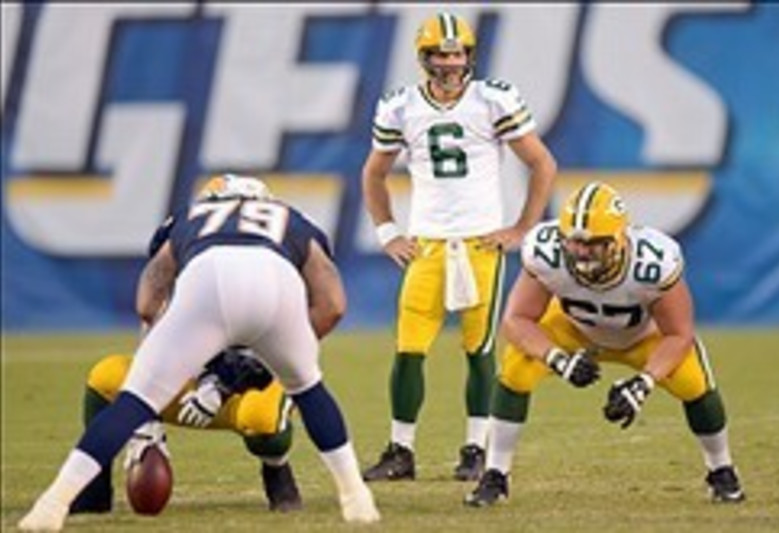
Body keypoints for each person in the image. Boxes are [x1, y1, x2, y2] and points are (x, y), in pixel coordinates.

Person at [19, 174, 380, 531]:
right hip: (277, 287)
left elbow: (148, 303)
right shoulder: (292, 220)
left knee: (133, 402)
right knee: (309, 388)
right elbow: (333, 305)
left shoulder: (189, 218)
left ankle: (52, 504)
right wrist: (269, 355)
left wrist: (194, 368)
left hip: (209, 285)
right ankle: (356, 497)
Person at [361, 11, 557, 482]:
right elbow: (374, 172)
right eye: (442, 54)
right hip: (427, 244)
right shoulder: (401, 106)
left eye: (458, 53)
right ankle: (400, 451)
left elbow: (542, 164)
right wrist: (388, 231)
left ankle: (476, 449)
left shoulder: (493, 99)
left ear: (470, 55)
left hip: (479, 245)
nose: (451, 62)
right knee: (409, 350)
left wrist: (521, 229)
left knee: (479, 350)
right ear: (424, 58)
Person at [465, 181, 745, 506]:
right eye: (574, 242)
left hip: (643, 336)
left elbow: (679, 334)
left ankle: (721, 469)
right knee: (516, 369)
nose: (582, 252)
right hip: (573, 329)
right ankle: (495, 474)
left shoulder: (653, 262)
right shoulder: (547, 252)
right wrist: (557, 358)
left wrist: (643, 384)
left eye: (594, 243)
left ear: (619, 239)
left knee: (694, 383)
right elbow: (515, 320)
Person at [70, 346, 302, 515]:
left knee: (260, 418)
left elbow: (274, 350)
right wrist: (144, 406)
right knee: (106, 376)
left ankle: (276, 470)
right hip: (188, 387)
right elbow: (154, 343)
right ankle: (94, 491)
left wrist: (220, 387)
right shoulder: (160, 281)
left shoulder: (256, 283)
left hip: (253, 383)